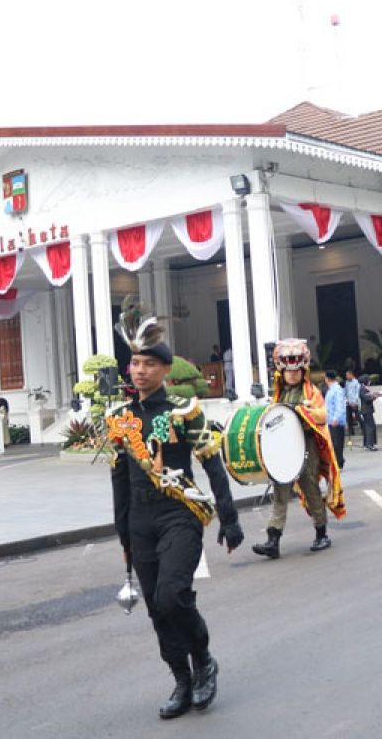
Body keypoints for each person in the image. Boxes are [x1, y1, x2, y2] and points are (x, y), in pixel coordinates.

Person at [106, 304, 243, 719]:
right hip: (140, 521)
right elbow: (119, 479)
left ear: (166, 370)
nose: (140, 370)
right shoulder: (120, 418)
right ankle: (181, 680)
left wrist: (230, 518)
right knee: (154, 606)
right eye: (135, 363)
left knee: (172, 595)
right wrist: (124, 535)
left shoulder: (183, 411)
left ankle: (203, 661)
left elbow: (212, 464)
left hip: (178, 513)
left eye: (149, 363)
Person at [252, 339, 346, 559]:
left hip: (307, 447)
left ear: (302, 369)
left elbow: (322, 414)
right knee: (280, 492)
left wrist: (303, 411)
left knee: (310, 489)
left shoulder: (312, 392)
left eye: (296, 370)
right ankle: (273, 540)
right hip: (284, 450)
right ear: (282, 371)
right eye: (288, 370)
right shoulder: (279, 392)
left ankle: (321, 533)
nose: (292, 374)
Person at [323, 370, 347, 468]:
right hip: (330, 420)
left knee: (337, 442)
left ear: (327, 378)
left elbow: (339, 405)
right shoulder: (330, 390)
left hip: (336, 421)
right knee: (333, 442)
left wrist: (336, 418)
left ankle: (339, 461)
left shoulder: (337, 390)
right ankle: (337, 460)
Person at [357, 374, 380, 450]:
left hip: (366, 410)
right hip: (366, 410)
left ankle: (368, 443)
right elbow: (366, 398)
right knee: (370, 426)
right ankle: (370, 444)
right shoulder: (363, 389)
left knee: (369, 426)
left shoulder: (363, 388)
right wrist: (373, 397)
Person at [343, 370, 363, 446]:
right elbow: (345, 392)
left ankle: (363, 429)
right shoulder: (346, 383)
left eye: (348, 375)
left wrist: (354, 402)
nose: (347, 377)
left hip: (354, 403)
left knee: (358, 416)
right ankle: (351, 431)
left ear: (352, 375)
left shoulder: (356, 382)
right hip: (348, 402)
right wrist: (346, 400)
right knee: (349, 417)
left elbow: (357, 393)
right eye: (346, 375)